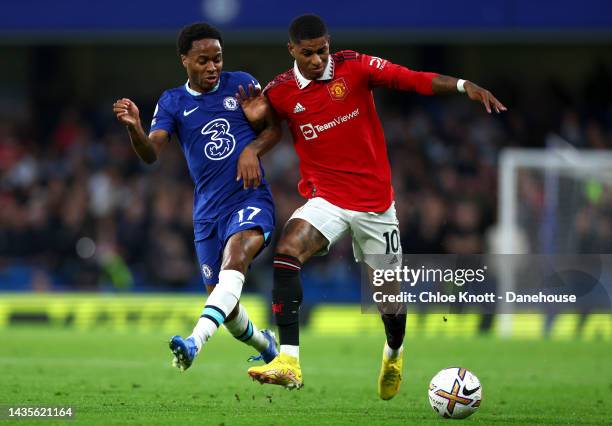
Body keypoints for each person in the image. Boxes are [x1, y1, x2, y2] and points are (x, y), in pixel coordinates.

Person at [240, 14, 506, 397]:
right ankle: (289, 360)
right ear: (292, 50)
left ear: (329, 44)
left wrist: (463, 85)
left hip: (375, 205)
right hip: (326, 198)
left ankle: (394, 352)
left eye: (322, 50)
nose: (317, 60)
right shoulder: (279, 91)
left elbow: (411, 78)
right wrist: (253, 127)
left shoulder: (354, 66)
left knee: (389, 302)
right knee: (287, 250)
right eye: (308, 53)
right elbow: (268, 127)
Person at [112, 22, 281, 372]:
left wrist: (253, 146)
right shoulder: (172, 102)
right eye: (203, 60)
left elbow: (275, 129)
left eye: (217, 59)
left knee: (235, 261)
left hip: (250, 199)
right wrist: (135, 129)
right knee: (225, 305)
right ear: (185, 60)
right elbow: (150, 154)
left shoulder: (242, 83)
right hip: (207, 214)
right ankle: (266, 345)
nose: (212, 67)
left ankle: (193, 342)